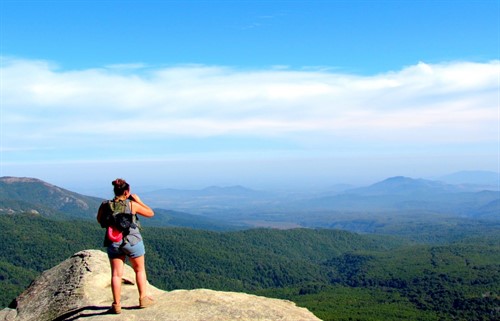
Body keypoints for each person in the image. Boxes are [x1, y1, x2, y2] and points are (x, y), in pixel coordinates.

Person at [97, 178, 155, 314]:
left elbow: (99, 220)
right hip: (132, 241)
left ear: (115, 191)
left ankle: (117, 305)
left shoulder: (105, 205)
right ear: (127, 192)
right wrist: (138, 201)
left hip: (114, 242)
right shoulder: (132, 205)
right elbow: (150, 213)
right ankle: (143, 299)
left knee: (116, 275)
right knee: (139, 270)